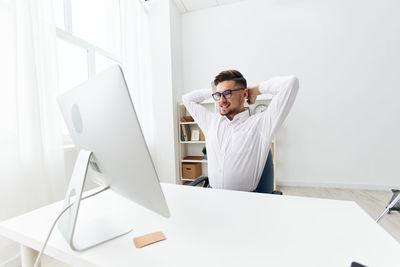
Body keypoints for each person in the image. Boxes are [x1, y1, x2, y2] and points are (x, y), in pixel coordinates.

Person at [182, 70, 299, 191]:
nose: (221, 101)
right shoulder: (211, 122)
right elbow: (187, 99)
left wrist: (257, 90)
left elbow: (291, 83)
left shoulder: (261, 125)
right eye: (218, 95)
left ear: (244, 94)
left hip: (245, 201)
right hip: (214, 197)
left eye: (227, 93)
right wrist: (214, 92)